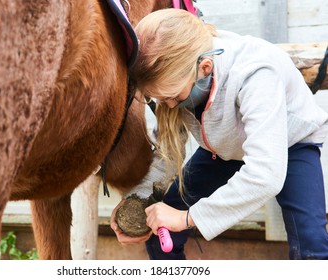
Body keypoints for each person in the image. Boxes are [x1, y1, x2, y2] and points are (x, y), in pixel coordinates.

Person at [110, 8, 328, 260]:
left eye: (174, 97)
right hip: (223, 148)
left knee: (311, 246)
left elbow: (265, 174)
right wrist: (136, 201)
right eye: (161, 98)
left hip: (292, 143)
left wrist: (187, 218)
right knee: (161, 237)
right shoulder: (179, 77)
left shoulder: (256, 74)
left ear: (205, 67)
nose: (169, 106)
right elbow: (166, 154)